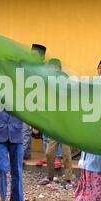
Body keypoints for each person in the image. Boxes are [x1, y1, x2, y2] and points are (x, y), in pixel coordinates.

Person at [38, 58, 73, 188]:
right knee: (49, 152)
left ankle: (68, 178)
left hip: (64, 124)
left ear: (57, 67)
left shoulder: (64, 80)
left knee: (66, 152)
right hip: (53, 123)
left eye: (51, 67)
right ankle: (50, 176)